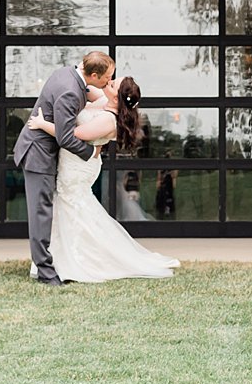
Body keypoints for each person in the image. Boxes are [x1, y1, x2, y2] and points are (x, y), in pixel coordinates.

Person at [22, 73, 179, 283]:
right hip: (76, 160)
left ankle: (79, 259)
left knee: (72, 205)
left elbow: (73, 134)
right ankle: (60, 257)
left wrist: (42, 124)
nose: (109, 82)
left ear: (116, 98)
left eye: (113, 84)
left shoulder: (108, 120)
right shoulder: (106, 99)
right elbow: (84, 85)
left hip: (79, 167)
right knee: (70, 207)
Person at [12, 51, 113, 285]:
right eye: (107, 77)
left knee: (44, 210)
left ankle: (50, 264)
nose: (109, 81)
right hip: (38, 155)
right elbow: (66, 137)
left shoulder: (67, 73)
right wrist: (92, 152)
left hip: (43, 152)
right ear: (94, 75)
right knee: (41, 213)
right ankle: (46, 273)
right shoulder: (70, 91)